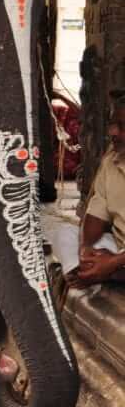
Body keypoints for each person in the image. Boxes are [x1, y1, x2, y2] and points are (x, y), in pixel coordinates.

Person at [50, 98, 125, 288]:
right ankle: (90, 270)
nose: (113, 132)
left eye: (121, 126)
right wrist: (86, 248)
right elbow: (95, 215)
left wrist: (114, 262)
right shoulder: (111, 161)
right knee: (65, 233)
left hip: (119, 257)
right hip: (119, 246)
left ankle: (102, 272)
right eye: (112, 125)